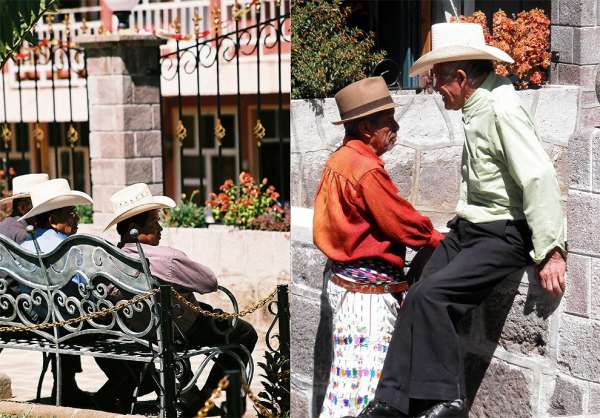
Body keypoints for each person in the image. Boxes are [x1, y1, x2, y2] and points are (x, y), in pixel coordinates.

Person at [355, 23, 567, 418]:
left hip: (503, 233)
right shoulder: (474, 107)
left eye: (439, 78)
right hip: (469, 228)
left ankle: (447, 401)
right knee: (417, 286)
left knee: (433, 296)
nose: (434, 86)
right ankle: (391, 402)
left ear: (463, 78)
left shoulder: (502, 108)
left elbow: (538, 176)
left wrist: (551, 249)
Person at [313, 76, 445, 418]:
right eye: (388, 120)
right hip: (366, 297)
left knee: (346, 381)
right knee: (365, 390)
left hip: (345, 285)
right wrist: (436, 240)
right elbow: (400, 222)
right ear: (366, 126)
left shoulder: (339, 161)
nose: (395, 126)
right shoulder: (365, 169)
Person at [95, 183, 258, 415]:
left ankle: (189, 395)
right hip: (178, 330)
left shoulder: (108, 257)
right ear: (134, 227)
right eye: (154, 222)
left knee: (201, 314)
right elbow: (209, 282)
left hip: (138, 332)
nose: (160, 228)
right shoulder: (165, 259)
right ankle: (205, 397)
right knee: (244, 332)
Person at [18, 178, 94, 408]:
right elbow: (86, 287)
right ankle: (122, 383)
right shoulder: (70, 247)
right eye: (71, 212)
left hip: (35, 318)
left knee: (66, 315)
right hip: (67, 322)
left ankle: (66, 386)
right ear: (53, 220)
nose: (76, 217)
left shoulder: (24, 245)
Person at [0, 173, 49, 243]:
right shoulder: (24, 236)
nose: (46, 211)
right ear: (22, 208)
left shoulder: (5, 224)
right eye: (39, 206)